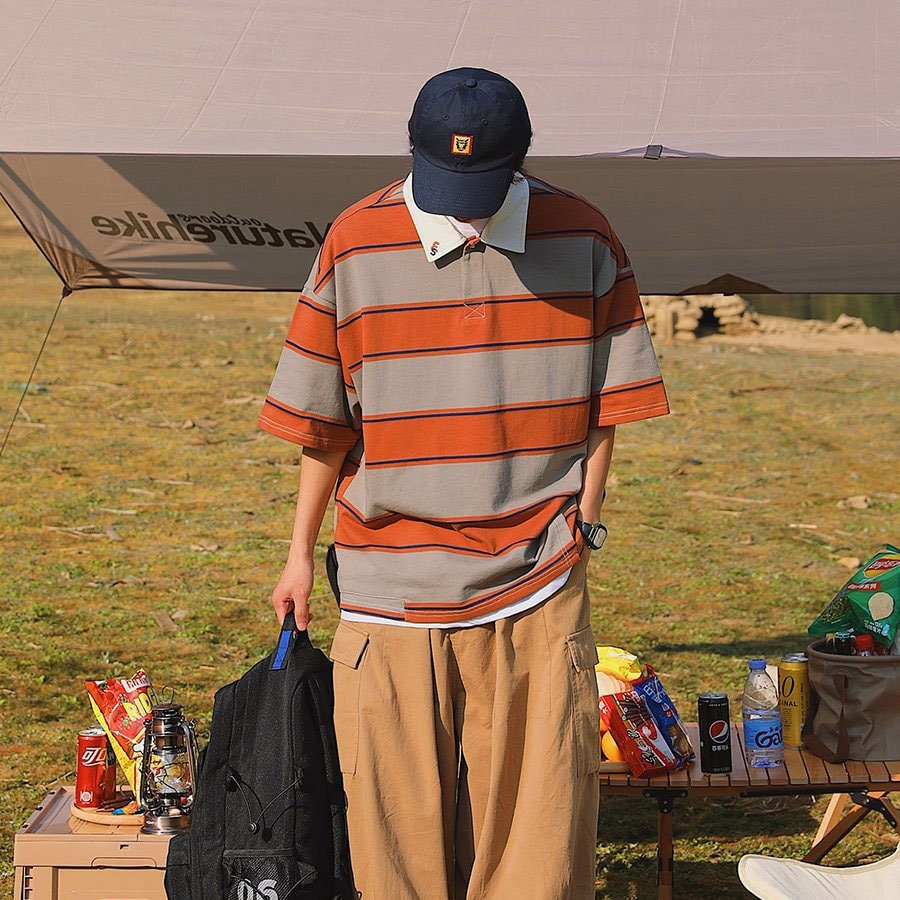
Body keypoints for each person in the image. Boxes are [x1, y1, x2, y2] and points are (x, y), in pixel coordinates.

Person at [260, 67, 669, 900]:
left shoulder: (586, 235)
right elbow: (322, 424)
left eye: (481, 188)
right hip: (387, 589)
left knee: (536, 853)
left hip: (536, 584)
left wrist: (585, 523)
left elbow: (610, 404)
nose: (464, 210)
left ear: (521, 159)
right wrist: (298, 554)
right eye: (447, 186)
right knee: (392, 853)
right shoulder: (354, 241)